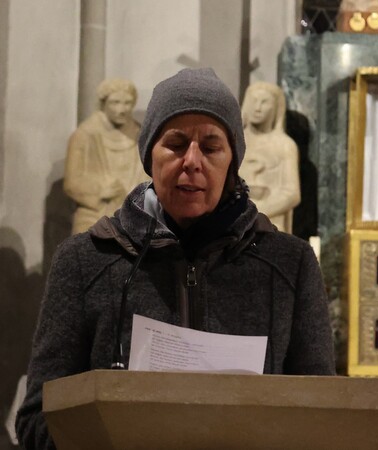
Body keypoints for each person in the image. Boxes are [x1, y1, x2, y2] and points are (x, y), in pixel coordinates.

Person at [16, 68, 335, 449]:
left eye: (211, 147)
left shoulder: (290, 265)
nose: (192, 161)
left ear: (232, 162)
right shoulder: (86, 260)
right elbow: (37, 419)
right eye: (176, 144)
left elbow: (322, 417)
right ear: (149, 156)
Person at [64, 78, 148, 234]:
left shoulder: (140, 135)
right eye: (115, 102)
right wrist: (100, 191)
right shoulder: (85, 135)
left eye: (127, 103)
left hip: (132, 215)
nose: (122, 109)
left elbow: (148, 174)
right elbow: (71, 182)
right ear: (103, 104)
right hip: (93, 215)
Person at [240, 81, 300, 233]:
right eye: (254, 101)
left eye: (264, 102)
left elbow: (292, 194)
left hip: (270, 223)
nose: (257, 108)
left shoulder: (285, 145)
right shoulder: (235, 141)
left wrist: (258, 211)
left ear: (276, 108)